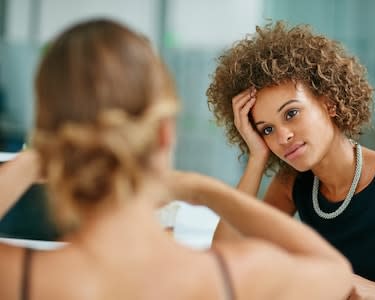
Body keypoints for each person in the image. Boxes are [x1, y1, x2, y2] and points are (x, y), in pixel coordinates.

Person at [0, 19, 352, 300]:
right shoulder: (226, 278)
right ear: (165, 134)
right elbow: (334, 271)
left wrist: (37, 158)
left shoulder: (26, 279)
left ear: (55, 144)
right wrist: (202, 190)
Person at [207, 21, 375, 299]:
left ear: (329, 103)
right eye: (267, 129)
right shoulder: (294, 182)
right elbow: (226, 256)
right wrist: (257, 157)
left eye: (291, 114)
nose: (283, 136)